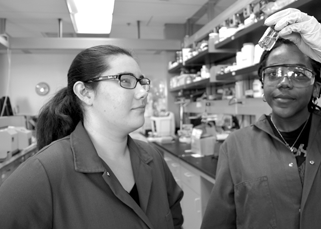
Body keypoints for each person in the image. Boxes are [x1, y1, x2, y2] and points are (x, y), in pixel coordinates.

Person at [201, 8, 321, 229]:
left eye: (298, 73)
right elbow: (218, 223)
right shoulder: (236, 145)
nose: (284, 82)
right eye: (273, 73)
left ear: (316, 88)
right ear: (262, 85)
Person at [0, 45, 184, 229]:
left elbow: (175, 221)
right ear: (85, 93)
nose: (143, 92)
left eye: (142, 82)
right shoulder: (43, 172)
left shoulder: (153, 158)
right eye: (126, 81)